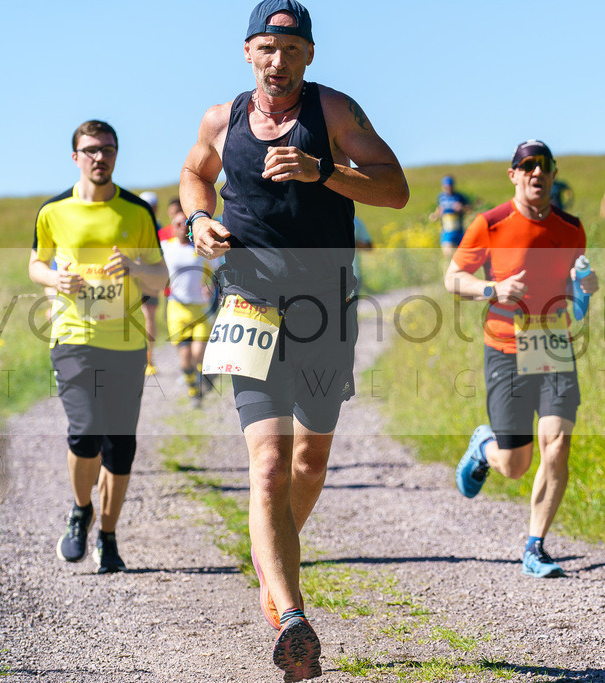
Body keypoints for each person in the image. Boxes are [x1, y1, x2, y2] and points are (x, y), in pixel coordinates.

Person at [178, 1, 408, 679]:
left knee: (309, 461)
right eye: (266, 49)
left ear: (308, 56)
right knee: (270, 465)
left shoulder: (333, 112)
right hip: (247, 300)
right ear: (247, 52)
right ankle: (291, 614)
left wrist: (324, 171)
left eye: (291, 49)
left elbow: (395, 188)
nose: (278, 61)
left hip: (324, 305)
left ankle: (272, 563)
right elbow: (195, 171)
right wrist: (197, 217)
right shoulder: (221, 119)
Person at [445, 140, 599, 579]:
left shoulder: (571, 228)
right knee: (515, 466)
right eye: (527, 166)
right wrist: (491, 290)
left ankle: (536, 545)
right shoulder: (490, 223)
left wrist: (586, 287)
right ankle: (484, 444)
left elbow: (576, 291)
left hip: (553, 343)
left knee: (558, 444)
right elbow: (453, 278)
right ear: (513, 174)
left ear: (553, 174)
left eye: (544, 166)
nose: (536, 173)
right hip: (505, 347)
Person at [28, 120, 168, 574]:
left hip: (125, 343)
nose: (99, 157)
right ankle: (79, 509)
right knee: (85, 432)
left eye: (107, 149)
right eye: (90, 150)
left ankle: (107, 536)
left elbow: (161, 277)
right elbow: (35, 263)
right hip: (73, 337)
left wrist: (132, 266)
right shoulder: (53, 211)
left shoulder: (135, 212)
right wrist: (54, 278)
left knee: (120, 446)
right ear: (75, 157)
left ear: (116, 154)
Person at [163, 210, 216, 408]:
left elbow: (215, 270)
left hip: (199, 309)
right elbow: (155, 268)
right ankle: (194, 391)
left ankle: (205, 380)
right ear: (172, 226)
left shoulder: (200, 248)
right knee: (185, 359)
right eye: (178, 224)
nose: (182, 228)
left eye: (185, 224)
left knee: (198, 355)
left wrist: (210, 285)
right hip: (176, 308)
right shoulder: (165, 248)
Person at [139, 190, 163, 375]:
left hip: (150, 277)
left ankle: (149, 359)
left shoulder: (159, 229)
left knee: (149, 316)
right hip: (132, 277)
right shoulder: (133, 223)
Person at [430, 175, 471, 259]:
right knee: (447, 254)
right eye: (445, 187)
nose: (448, 189)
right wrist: (435, 216)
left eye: (449, 187)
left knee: (460, 256)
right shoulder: (441, 197)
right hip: (446, 230)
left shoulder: (459, 197)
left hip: (458, 229)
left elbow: (469, 208)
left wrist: (461, 208)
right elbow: (438, 209)